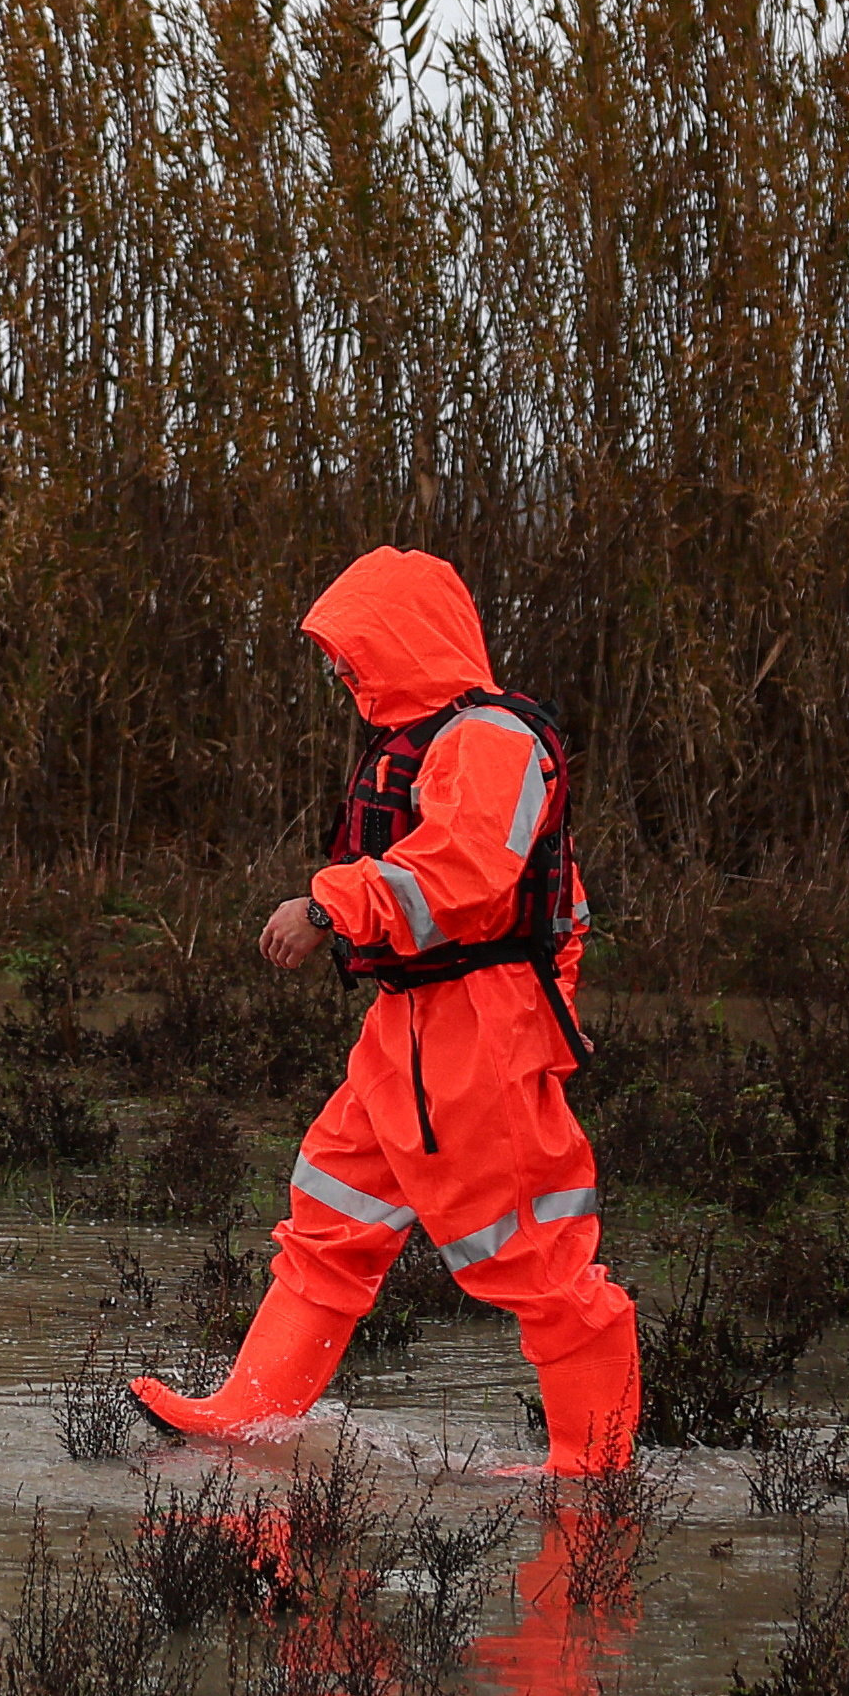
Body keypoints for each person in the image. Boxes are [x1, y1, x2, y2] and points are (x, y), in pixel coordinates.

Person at [129, 545, 640, 1475]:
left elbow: (469, 873)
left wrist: (329, 905)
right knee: (329, 1216)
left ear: (404, 640)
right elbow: (563, 905)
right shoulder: (440, 739)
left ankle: (593, 1474)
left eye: (352, 650)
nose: (340, 670)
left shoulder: (490, 740)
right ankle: (248, 1415)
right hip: (407, 1029)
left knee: (538, 1258)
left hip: (475, 1036)